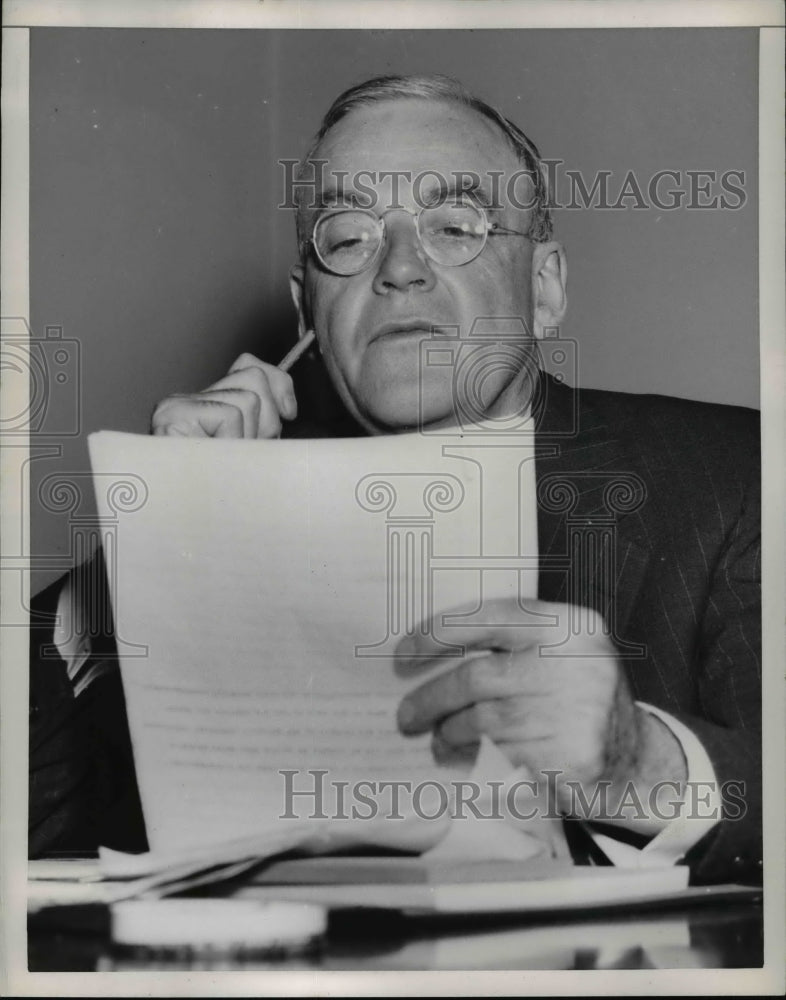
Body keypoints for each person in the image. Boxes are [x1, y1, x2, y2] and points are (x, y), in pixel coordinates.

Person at [29, 75, 761, 886]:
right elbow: (40, 822)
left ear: (545, 288)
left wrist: (641, 764)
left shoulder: (738, 475)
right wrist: (163, 531)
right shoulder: (233, 500)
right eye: (347, 237)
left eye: (456, 224)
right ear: (307, 313)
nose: (401, 267)